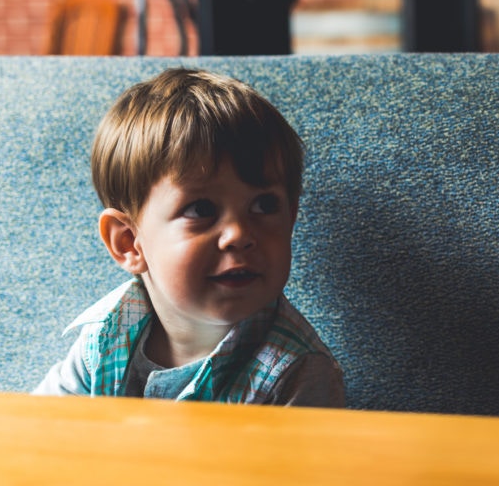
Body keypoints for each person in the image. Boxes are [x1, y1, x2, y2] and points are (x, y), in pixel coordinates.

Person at [34, 68, 345, 406]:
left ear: (290, 218)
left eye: (264, 204)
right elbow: (39, 432)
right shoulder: (103, 337)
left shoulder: (298, 372)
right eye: (200, 210)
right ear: (128, 243)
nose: (239, 235)